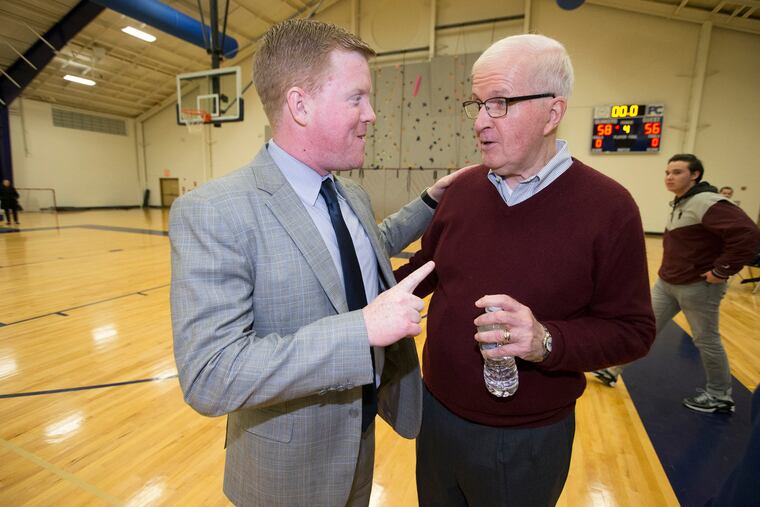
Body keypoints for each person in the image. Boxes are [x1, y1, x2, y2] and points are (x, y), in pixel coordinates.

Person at [170, 19, 469, 506]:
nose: (371, 114)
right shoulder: (215, 212)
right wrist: (361, 331)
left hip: (357, 445)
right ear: (300, 105)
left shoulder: (348, 192)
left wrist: (429, 201)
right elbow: (210, 374)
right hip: (285, 474)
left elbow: (370, 244)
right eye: (357, 98)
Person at [394, 34, 656, 506]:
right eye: (477, 104)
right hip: (435, 418)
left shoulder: (610, 208)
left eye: (499, 104)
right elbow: (421, 270)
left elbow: (633, 331)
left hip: (528, 440)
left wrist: (545, 341)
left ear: (552, 113)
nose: (479, 123)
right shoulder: (464, 190)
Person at [594, 154, 760, 414]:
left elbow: (748, 234)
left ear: (695, 175)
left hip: (698, 286)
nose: (669, 177)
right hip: (668, 282)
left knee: (706, 340)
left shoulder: (707, 201)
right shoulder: (685, 201)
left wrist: (721, 270)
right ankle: (613, 369)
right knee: (643, 329)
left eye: (677, 172)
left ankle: (719, 395)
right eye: (667, 172)